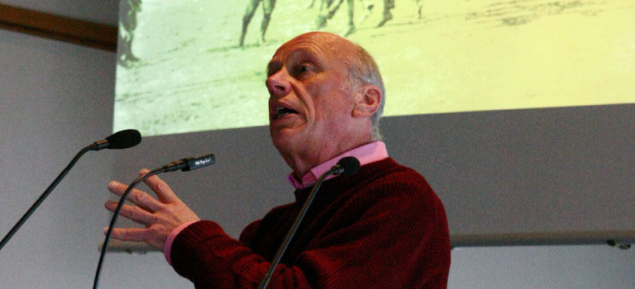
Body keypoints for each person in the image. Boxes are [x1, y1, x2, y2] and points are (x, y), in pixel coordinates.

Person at [104, 31, 451, 288]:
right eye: (271, 73)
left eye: (303, 70)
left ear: (366, 101)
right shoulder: (269, 228)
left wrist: (189, 237)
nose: (273, 83)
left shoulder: (401, 198)